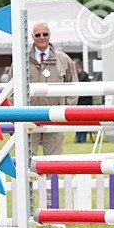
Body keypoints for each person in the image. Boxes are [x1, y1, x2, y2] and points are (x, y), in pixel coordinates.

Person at [26, 21, 77, 156]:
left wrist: (67, 111)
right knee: (27, 161)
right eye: (38, 35)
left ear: (50, 35)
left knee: (54, 161)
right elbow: (11, 90)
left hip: (56, 117)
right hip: (29, 117)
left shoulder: (63, 59)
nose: (42, 37)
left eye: (45, 34)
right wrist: (17, 115)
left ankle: (51, 179)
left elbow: (74, 87)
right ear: (32, 37)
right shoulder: (22, 59)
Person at [73, 62, 93, 144]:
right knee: (78, 121)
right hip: (81, 102)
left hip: (84, 103)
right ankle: (79, 138)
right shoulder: (81, 76)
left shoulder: (83, 77)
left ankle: (81, 138)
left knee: (84, 121)